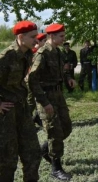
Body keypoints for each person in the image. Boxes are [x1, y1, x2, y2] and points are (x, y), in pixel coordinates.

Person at [28, 23, 76, 181]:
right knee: (54, 133)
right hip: (46, 98)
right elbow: (31, 80)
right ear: (51, 36)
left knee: (66, 128)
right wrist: (43, 101)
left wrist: (68, 78)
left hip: (58, 95)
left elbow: (63, 70)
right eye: (61, 36)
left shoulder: (58, 52)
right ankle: (56, 168)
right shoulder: (42, 53)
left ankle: (44, 150)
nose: (64, 39)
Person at [0, 21, 41, 182]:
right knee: (7, 160)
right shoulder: (6, 57)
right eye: (33, 37)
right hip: (6, 113)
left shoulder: (28, 53)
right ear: (21, 37)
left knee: (33, 153)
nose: (36, 40)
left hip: (22, 109)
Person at [28, 32, 47, 127]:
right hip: (31, 81)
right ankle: (27, 122)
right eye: (44, 41)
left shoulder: (42, 52)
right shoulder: (34, 52)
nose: (46, 42)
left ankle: (37, 118)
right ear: (38, 42)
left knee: (38, 102)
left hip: (39, 82)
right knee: (30, 103)